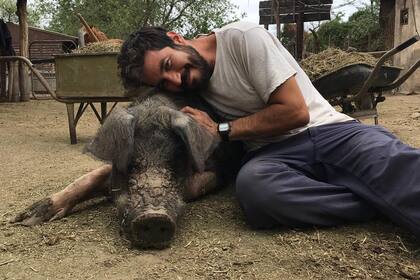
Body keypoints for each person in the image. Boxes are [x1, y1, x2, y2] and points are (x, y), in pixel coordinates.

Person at [14, 22, 420, 237]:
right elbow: (157, 144)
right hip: (270, 156)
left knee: (397, 170)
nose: (175, 80)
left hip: (329, 132)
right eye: (164, 81)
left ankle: (387, 187)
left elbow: (294, 113)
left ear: (176, 39)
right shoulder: (190, 91)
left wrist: (222, 127)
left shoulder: (244, 39)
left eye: (170, 64)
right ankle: (377, 200)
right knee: (257, 195)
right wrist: (79, 189)